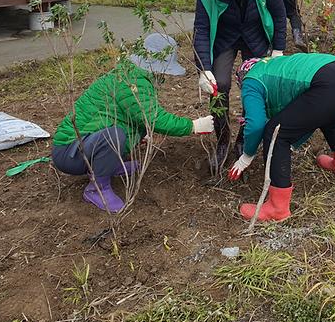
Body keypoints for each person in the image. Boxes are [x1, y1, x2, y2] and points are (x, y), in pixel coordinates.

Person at [51, 33, 215, 213]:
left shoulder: (133, 74)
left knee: (125, 130)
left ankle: (109, 165)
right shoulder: (132, 82)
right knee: (114, 135)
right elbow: (153, 118)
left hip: (84, 144)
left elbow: (137, 117)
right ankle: (97, 189)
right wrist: (192, 126)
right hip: (69, 152)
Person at [229, 54, 335, 223]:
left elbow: (256, 124)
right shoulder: (275, 67)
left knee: (276, 133)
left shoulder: (250, 80)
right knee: (327, 114)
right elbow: (307, 115)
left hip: (333, 85)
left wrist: (247, 155)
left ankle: (277, 208)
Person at [192, 0, 287, 174]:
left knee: (253, 85)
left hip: (255, 35)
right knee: (219, 84)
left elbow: (279, 15)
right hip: (225, 38)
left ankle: (245, 137)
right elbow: (202, 30)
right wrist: (204, 68)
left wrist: (278, 49)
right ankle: (223, 138)